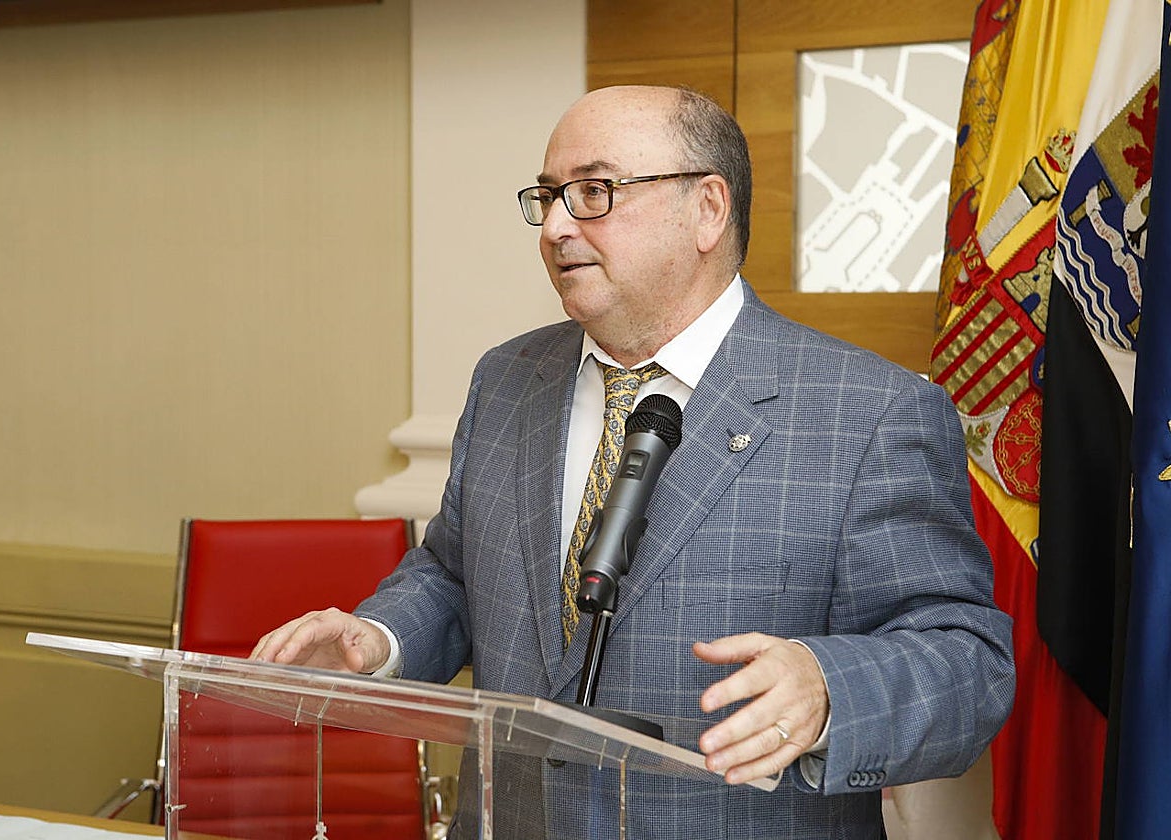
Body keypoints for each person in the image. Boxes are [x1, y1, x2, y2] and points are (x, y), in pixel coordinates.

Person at [252, 84, 1014, 839]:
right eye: (547, 196)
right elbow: (454, 573)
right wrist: (378, 638)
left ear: (708, 209)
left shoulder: (867, 411)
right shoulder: (507, 380)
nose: (554, 227)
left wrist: (828, 688)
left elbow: (966, 662)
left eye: (593, 191)